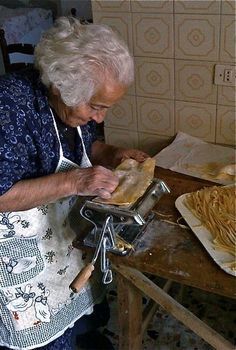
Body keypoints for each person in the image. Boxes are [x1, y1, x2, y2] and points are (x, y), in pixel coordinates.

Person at [0, 17, 150, 350]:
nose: (101, 118)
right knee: (48, 338)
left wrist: (111, 153)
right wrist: (77, 180)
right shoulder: (10, 107)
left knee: (85, 318)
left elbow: (84, 145)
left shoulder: (71, 106)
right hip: (26, 255)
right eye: (96, 107)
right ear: (61, 88)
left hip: (65, 242)